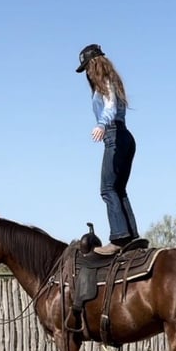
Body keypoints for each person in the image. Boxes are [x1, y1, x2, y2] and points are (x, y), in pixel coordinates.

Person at [75, 43, 139, 255]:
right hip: (125, 137)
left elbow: (110, 106)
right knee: (118, 188)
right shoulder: (113, 80)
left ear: (93, 64)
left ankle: (119, 239)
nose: (87, 74)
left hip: (114, 134)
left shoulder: (105, 81)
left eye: (86, 68)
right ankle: (132, 236)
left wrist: (102, 124)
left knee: (107, 189)